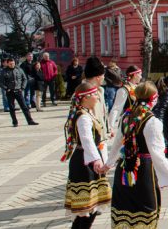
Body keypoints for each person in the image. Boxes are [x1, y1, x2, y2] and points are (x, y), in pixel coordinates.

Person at [103, 81, 168, 228]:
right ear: (154, 99)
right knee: (144, 215)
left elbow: (117, 143)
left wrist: (108, 164)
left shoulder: (126, 117)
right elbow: (158, 156)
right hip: (143, 172)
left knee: (124, 215)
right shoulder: (152, 121)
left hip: (124, 169)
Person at [60, 82, 111, 228]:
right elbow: (87, 139)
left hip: (87, 159)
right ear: (85, 97)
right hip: (85, 162)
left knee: (91, 208)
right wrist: (96, 159)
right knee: (86, 208)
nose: (97, 97)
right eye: (95, 95)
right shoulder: (83, 117)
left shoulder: (86, 113)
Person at [0, 58, 39, 127]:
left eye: (13, 63)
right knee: (12, 108)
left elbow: (24, 79)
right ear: (7, 64)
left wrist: (22, 87)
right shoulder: (4, 71)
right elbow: (0, 82)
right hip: (10, 91)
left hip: (18, 91)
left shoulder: (19, 69)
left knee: (24, 107)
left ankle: (30, 121)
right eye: (10, 64)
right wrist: (6, 88)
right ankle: (15, 122)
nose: (12, 65)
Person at [107, 66, 142, 131]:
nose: (141, 77)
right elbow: (116, 109)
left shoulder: (138, 87)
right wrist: (110, 126)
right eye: (140, 74)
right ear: (134, 75)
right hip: (127, 121)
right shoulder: (124, 90)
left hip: (137, 120)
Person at [83, 57, 109, 139]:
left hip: (101, 137)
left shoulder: (100, 91)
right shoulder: (84, 94)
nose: (104, 77)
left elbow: (102, 114)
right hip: (93, 138)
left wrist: (107, 130)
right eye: (103, 75)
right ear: (98, 77)